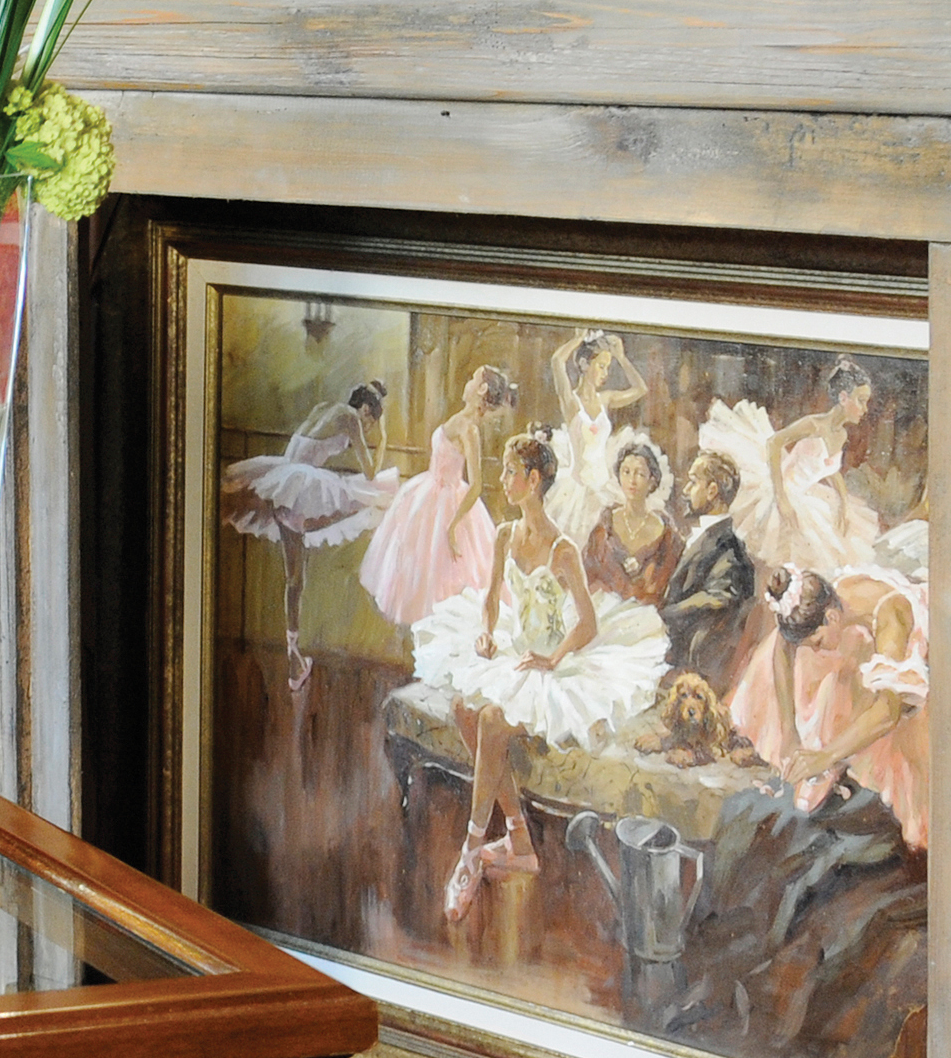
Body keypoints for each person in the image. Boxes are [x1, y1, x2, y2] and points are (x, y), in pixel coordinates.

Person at [411, 429, 671, 925]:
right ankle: (520, 841)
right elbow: (491, 600)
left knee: (491, 719)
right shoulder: (505, 535)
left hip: (555, 659)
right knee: (464, 708)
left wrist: (553, 660)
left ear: (533, 481)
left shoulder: (563, 549)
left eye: (511, 472)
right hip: (515, 646)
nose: (502, 480)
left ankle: (471, 851)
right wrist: (486, 634)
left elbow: (587, 624)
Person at [732, 563, 930, 850]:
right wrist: (789, 731)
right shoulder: (813, 602)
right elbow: (784, 648)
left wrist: (826, 757)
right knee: (815, 668)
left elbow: (888, 712)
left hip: (911, 670)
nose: (815, 647)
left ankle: (836, 768)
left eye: (818, 640)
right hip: (864, 639)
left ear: (832, 618)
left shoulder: (892, 617)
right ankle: (820, 771)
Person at [220, 379, 397, 691]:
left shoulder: (325, 408)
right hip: (299, 488)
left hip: (286, 481)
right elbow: (371, 472)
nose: (368, 428)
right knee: (375, 493)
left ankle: (294, 658)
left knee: (295, 578)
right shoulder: (351, 418)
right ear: (367, 410)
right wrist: (382, 439)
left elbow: (300, 448)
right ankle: (294, 660)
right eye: (371, 422)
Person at [357, 364, 512, 631]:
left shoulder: (470, 430)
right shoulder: (460, 419)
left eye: (473, 378)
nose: (468, 382)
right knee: (414, 569)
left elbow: (476, 485)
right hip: (426, 492)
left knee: (443, 576)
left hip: (448, 500)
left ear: (482, 389)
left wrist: (453, 525)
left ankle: (435, 635)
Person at [699, 357, 885, 576]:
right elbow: (773, 443)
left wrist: (844, 504)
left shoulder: (841, 434)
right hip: (779, 490)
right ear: (843, 398)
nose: (865, 409)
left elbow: (831, 471)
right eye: (861, 401)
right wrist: (781, 498)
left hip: (805, 496)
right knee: (769, 555)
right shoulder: (814, 424)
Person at [657, 447, 762, 687]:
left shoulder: (730, 549)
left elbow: (717, 598)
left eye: (693, 482)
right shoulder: (704, 537)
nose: (686, 490)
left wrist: (663, 615)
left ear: (712, 491)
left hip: (693, 659)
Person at [542, 330, 647, 546]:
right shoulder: (571, 402)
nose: (605, 373)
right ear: (584, 365)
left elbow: (640, 389)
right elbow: (556, 361)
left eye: (607, 367)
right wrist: (577, 339)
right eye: (601, 366)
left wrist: (621, 357)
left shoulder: (605, 400)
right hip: (577, 490)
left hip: (604, 487)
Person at [582, 434, 679, 605]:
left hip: (647, 616)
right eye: (626, 472)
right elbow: (587, 575)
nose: (632, 481)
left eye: (640, 474)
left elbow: (671, 587)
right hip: (606, 613)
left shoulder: (666, 535)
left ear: (652, 481)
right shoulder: (604, 528)